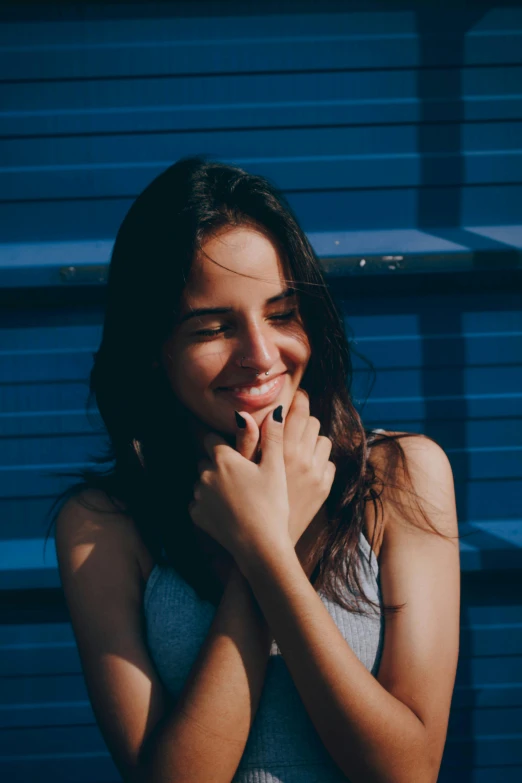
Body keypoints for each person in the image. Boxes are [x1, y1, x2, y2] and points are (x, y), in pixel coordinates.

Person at [52, 156, 460, 783]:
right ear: (153, 350)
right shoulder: (103, 526)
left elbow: (407, 772)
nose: (262, 355)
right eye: (213, 327)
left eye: (280, 313)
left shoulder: (401, 477)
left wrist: (265, 546)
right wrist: (266, 539)